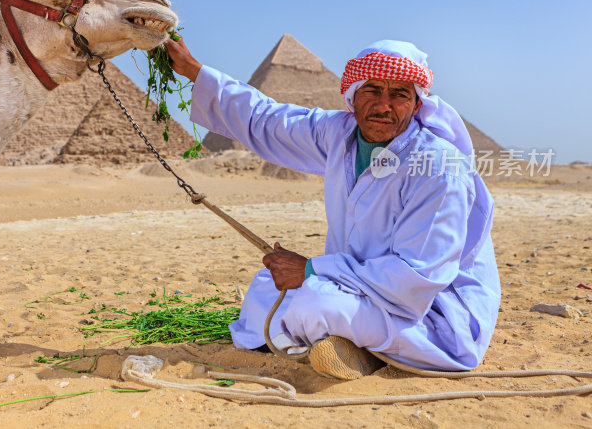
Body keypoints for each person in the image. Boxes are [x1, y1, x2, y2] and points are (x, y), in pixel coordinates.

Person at [164, 36, 501, 379]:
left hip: (431, 314)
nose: (384, 105)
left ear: (417, 106)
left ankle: (370, 353)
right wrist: (193, 71)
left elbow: (415, 279)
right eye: (372, 90)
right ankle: (354, 346)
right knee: (266, 287)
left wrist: (311, 269)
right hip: (363, 286)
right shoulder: (338, 134)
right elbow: (269, 119)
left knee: (314, 306)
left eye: (400, 94)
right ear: (352, 97)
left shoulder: (439, 167)